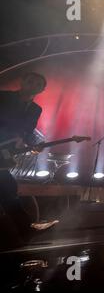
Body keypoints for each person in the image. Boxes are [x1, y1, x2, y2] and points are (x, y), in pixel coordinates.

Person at [0, 72, 59, 241]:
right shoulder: (3, 97)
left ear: (42, 89)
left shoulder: (35, 109)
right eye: (30, 81)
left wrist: (33, 144)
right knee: (7, 188)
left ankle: (25, 229)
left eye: (37, 84)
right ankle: (25, 229)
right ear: (22, 81)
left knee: (7, 189)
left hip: (5, 152)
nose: (33, 85)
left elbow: (27, 132)